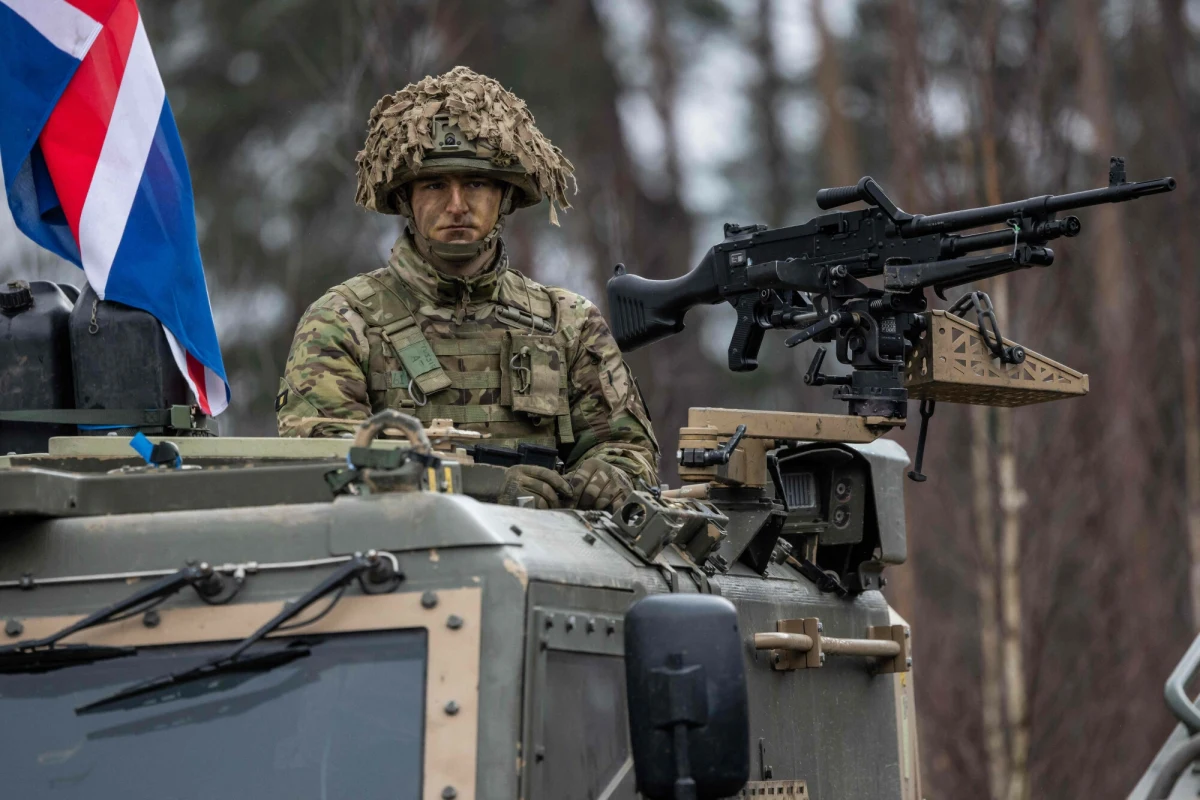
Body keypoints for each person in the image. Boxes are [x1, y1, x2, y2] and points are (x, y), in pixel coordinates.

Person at [276, 67, 658, 512]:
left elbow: (629, 451)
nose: (456, 205)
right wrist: (477, 488)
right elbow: (327, 468)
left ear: (506, 197)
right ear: (405, 199)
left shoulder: (568, 323)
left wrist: (607, 475)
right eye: (435, 185)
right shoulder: (343, 321)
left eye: (475, 183)